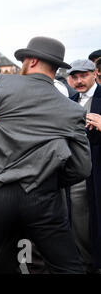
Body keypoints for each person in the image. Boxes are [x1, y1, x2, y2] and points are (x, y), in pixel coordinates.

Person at [0, 36, 91, 273]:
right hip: (43, 198)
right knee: (67, 268)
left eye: (24, 59)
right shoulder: (72, 109)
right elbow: (82, 167)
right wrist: (49, 179)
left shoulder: (2, 85)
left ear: (32, 61)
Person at [67, 59, 101, 271]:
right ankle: (87, 263)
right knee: (78, 217)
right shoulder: (70, 102)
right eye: (75, 76)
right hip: (77, 172)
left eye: (84, 75)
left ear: (95, 73)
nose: (79, 81)